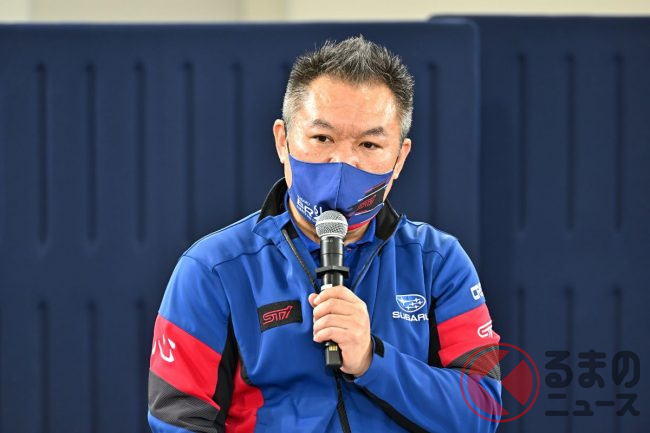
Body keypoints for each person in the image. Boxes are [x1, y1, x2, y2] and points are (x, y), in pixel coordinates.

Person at [148, 36, 502, 433]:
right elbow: (178, 421)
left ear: (400, 158)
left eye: (369, 143)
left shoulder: (438, 262)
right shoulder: (212, 267)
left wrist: (372, 359)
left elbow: (482, 411)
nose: (342, 162)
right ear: (283, 140)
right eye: (322, 138)